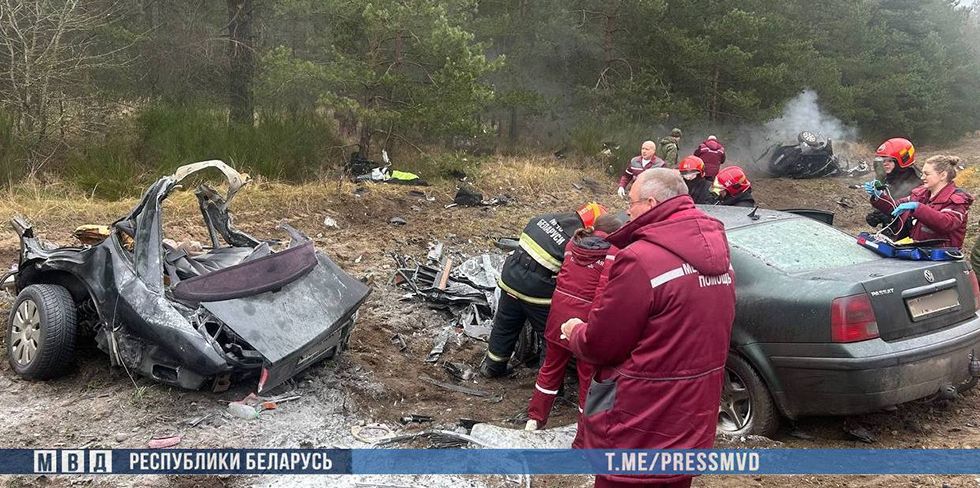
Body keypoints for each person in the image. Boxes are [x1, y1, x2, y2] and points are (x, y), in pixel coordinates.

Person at [561, 168, 736, 488]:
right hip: (690, 420)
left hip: (639, 425)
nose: (627, 210)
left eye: (632, 201)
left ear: (651, 202)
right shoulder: (722, 258)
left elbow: (602, 344)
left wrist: (575, 332)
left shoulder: (641, 260)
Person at [525, 214, 624, 441]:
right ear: (612, 234)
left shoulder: (572, 244)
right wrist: (595, 327)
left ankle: (534, 420)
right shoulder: (612, 254)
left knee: (550, 368)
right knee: (588, 379)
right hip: (584, 322)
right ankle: (584, 433)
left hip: (558, 315)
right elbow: (602, 293)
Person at [480, 203, 608, 378]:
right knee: (550, 337)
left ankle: (493, 368)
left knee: (505, 324)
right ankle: (548, 383)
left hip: (509, 278)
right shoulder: (576, 240)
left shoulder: (543, 219)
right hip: (536, 290)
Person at [865, 155, 974, 248]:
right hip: (918, 252)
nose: (922, 177)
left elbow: (946, 223)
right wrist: (878, 196)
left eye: (927, 174)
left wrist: (918, 208)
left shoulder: (957, 199)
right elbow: (894, 206)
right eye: (922, 173)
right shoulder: (921, 193)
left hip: (942, 258)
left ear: (943, 175)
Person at [864, 138, 922, 235]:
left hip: (908, 236)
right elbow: (888, 201)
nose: (885, 164)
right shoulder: (888, 177)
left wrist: (888, 215)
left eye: (890, 161)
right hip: (890, 232)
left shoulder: (917, 182)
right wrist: (877, 212)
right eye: (882, 160)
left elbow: (914, 213)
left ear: (902, 161)